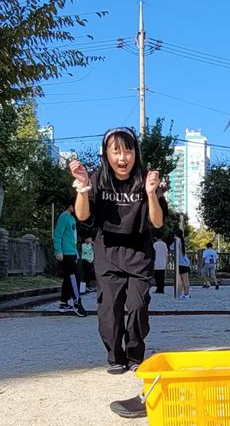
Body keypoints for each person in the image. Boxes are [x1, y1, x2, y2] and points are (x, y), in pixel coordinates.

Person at [69, 127, 167, 374]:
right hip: (108, 253)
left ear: (136, 153)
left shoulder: (146, 178)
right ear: (106, 154)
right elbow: (82, 216)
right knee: (110, 309)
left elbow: (157, 222)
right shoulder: (96, 179)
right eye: (116, 152)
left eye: (128, 151)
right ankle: (115, 355)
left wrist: (151, 194)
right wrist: (82, 187)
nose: (123, 158)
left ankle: (135, 355)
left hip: (139, 253)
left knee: (137, 306)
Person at [53, 204, 88, 317]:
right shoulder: (63, 217)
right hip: (66, 253)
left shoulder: (72, 218)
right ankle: (77, 302)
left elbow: (72, 238)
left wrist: (76, 253)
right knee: (74, 278)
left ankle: (64, 303)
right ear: (70, 206)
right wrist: (58, 250)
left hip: (72, 252)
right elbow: (58, 235)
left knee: (68, 278)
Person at [170, 228, 191, 300]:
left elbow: (171, 247)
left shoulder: (177, 241)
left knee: (184, 280)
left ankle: (186, 294)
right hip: (186, 262)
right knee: (186, 279)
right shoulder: (182, 241)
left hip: (181, 263)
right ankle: (187, 293)